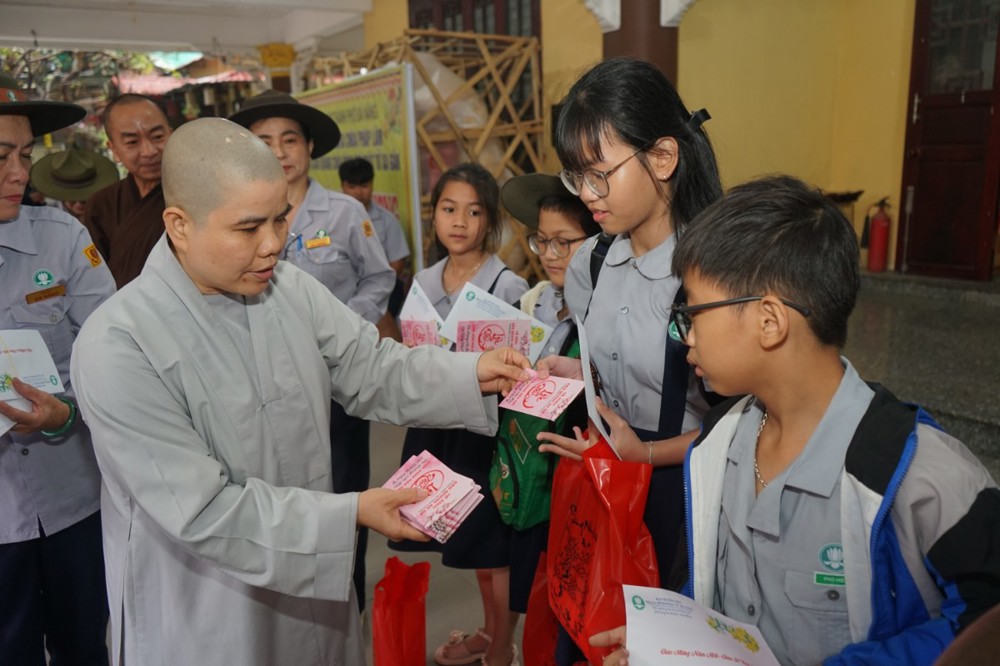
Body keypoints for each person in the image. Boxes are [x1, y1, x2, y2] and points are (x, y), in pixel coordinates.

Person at [69, 117, 532, 666]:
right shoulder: (119, 343)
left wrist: (474, 372)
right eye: (248, 228)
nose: (273, 244)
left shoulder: (287, 288)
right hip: (207, 606)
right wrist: (351, 513)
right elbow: (202, 510)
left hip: (313, 590)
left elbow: (372, 366)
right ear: (180, 225)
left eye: (279, 218)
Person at [591, 175, 1000, 666]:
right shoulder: (718, 445)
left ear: (770, 321)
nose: (686, 336)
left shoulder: (918, 474)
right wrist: (667, 642)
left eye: (693, 312)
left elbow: (984, 622)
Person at [534, 57, 723, 663]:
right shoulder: (590, 262)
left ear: (663, 157)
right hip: (603, 482)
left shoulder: (711, 276)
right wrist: (582, 374)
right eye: (576, 177)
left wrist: (646, 454)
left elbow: (744, 427)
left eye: (600, 175)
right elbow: (614, 362)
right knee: (592, 628)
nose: (587, 196)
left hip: (679, 494)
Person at [230, 91, 396, 614]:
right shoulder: (235, 215)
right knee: (279, 495)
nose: (280, 152)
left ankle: (347, 606)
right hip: (264, 384)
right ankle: (290, 608)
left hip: (339, 383)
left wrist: (343, 326)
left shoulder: (344, 212)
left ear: (309, 148)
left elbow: (379, 278)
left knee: (346, 495)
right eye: (265, 142)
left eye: (290, 140)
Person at [0, 72, 116, 666]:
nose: (19, 173)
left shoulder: (63, 239)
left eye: (24, 155)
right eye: (1, 157)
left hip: (73, 501)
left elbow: (117, 358)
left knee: (84, 646)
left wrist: (66, 412)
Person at [391, 163, 528, 666]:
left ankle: (502, 646)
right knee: (471, 542)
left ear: (489, 221)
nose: (460, 222)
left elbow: (523, 364)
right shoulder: (423, 281)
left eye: (474, 212)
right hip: (437, 426)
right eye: (449, 209)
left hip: (486, 432)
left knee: (495, 547)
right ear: (434, 215)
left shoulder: (507, 285)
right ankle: (490, 633)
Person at [496, 173, 599, 659]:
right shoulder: (534, 302)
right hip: (531, 474)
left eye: (564, 242)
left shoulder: (601, 314)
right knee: (537, 586)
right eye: (542, 241)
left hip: (578, 477)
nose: (550, 254)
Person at [84, 93, 172, 287]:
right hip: (118, 305)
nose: (149, 151)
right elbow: (94, 271)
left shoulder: (195, 194)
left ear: (171, 135)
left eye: (158, 137)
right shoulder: (101, 205)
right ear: (114, 149)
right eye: (132, 142)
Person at [339, 156, 412, 341]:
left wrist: (375, 285)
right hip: (344, 289)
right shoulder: (333, 221)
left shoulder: (387, 220)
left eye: (364, 185)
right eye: (352, 186)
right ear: (342, 186)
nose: (358, 192)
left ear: (372, 184)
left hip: (383, 289)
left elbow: (398, 262)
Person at [30, 146, 120, 221]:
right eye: (72, 198)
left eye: (85, 199)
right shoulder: (46, 217)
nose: (79, 203)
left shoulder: (111, 213)